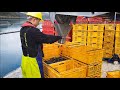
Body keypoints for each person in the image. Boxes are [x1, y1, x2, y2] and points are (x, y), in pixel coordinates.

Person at [20, 12, 63, 78]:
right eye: (39, 21)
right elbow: (47, 39)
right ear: (34, 19)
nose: (39, 23)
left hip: (25, 58)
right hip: (33, 60)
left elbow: (33, 41)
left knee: (27, 75)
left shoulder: (22, 29)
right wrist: (59, 37)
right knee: (37, 75)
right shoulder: (34, 31)